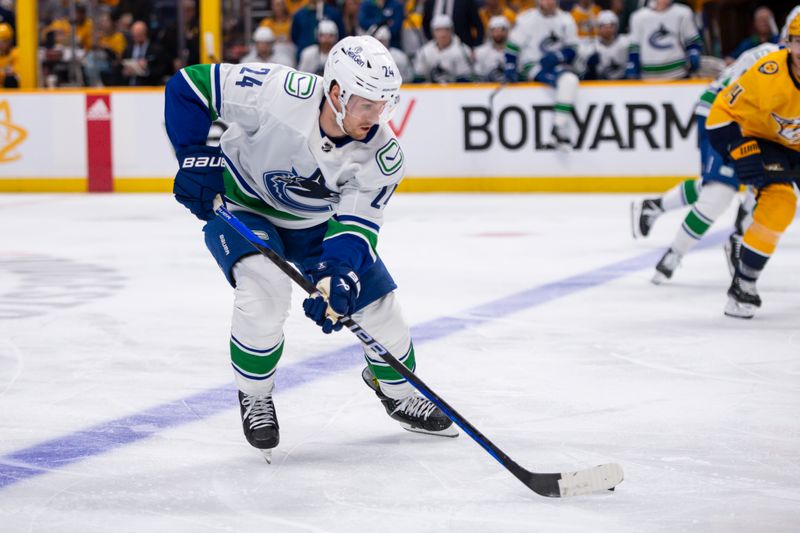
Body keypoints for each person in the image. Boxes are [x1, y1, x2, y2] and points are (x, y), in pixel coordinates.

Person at [163, 35, 458, 460]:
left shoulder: (382, 154)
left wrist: (338, 274)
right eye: (367, 104)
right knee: (264, 292)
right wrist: (194, 156)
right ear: (336, 92)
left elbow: (357, 226)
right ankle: (256, 395)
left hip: (317, 227)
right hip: (245, 206)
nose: (377, 117)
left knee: (380, 312)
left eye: (385, 105)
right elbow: (188, 87)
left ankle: (395, 392)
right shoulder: (275, 92)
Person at [630, 41, 779, 284]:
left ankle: (657, 205)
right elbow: (740, 102)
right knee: (720, 191)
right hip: (722, 115)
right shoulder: (771, 61)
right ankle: (674, 254)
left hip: (752, 125)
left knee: (764, 183)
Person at [705, 12, 800, 318]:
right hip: (765, 140)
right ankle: (744, 283)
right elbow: (720, 112)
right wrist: (739, 148)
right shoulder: (768, 72)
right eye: (799, 43)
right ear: (787, 43)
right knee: (781, 202)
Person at [504, 0, 580, 150]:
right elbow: (512, 47)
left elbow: (573, 48)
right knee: (556, 81)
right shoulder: (527, 19)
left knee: (570, 81)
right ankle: (557, 131)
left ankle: (557, 129)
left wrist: (559, 56)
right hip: (532, 65)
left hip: (557, 65)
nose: (549, 2)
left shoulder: (566, 19)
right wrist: (510, 67)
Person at [625, 0, 702, 80]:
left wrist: (693, 51)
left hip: (678, 73)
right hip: (649, 76)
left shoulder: (683, 13)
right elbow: (634, 46)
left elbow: (692, 39)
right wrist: (633, 62)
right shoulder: (638, 17)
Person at [413, 14, 474, 83]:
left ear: (452, 30)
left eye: (446, 30)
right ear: (433, 32)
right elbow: (419, 78)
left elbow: (465, 80)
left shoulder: (463, 51)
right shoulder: (424, 51)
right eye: (438, 30)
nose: (443, 34)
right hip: (431, 91)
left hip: (456, 91)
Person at [578, 10, 629, 80]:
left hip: (622, 83)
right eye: (604, 26)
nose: (607, 29)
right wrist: (590, 69)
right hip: (600, 85)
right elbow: (581, 74)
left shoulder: (625, 42)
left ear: (616, 27)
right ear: (598, 28)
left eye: (611, 26)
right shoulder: (591, 46)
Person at [474, 15, 509, 82]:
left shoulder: (514, 51)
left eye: (502, 30)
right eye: (495, 30)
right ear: (490, 32)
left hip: (512, 90)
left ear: (507, 31)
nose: (499, 33)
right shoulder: (480, 52)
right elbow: (477, 77)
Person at [0, 22, 18, 88]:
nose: (0, 45)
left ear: (10, 41)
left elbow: (15, 77)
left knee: (10, 80)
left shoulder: (17, 53)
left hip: (12, 93)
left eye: (3, 41)